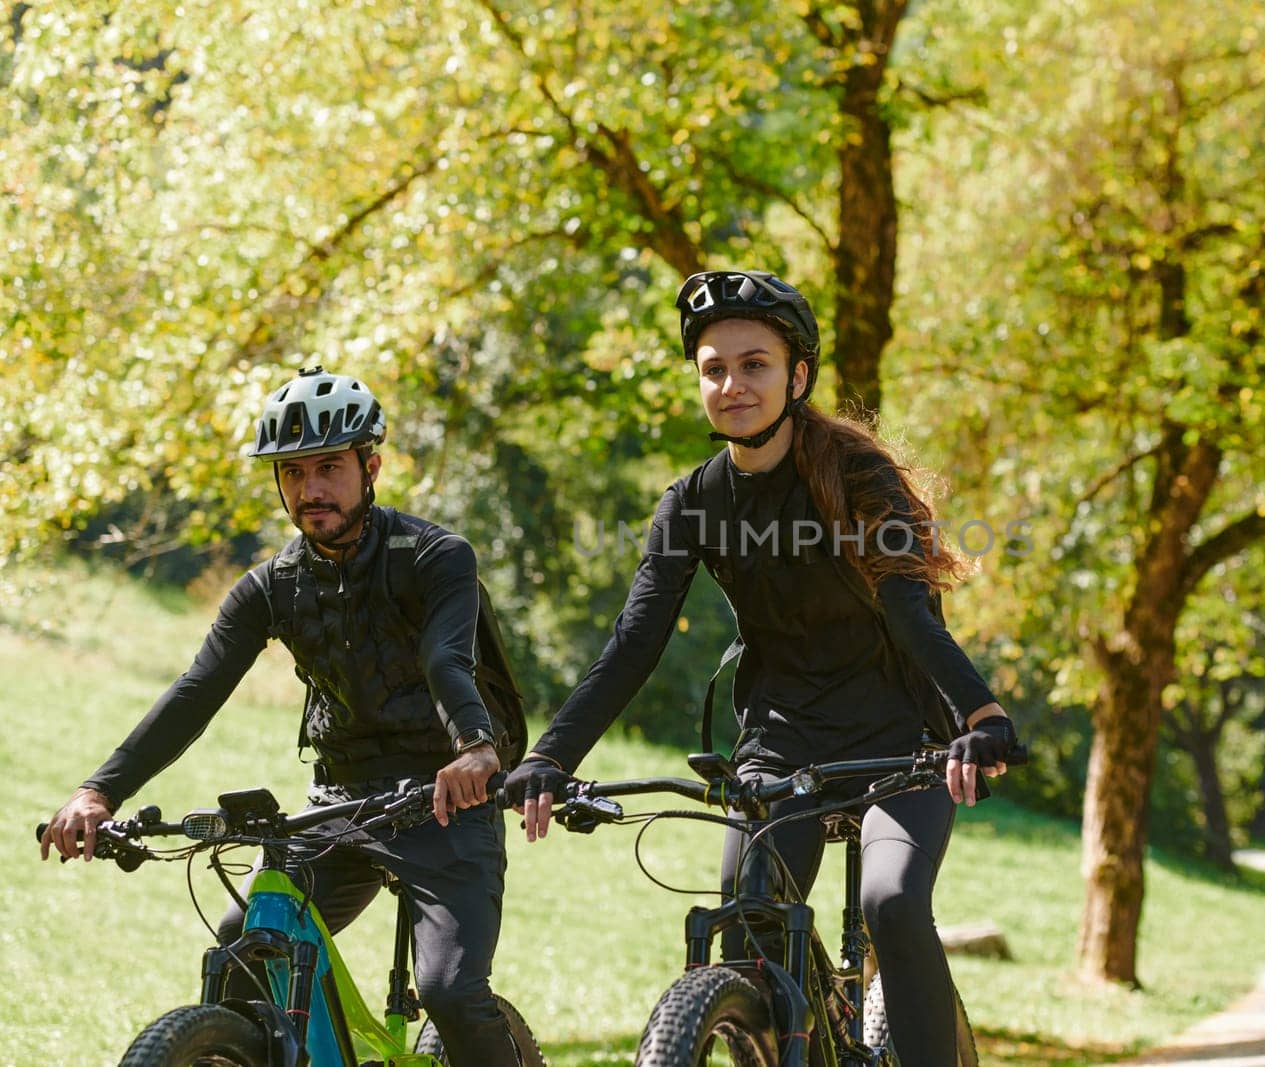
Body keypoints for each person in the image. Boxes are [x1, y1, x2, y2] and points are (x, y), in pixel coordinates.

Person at [504, 269, 1020, 1064]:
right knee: (749, 924)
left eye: (755, 365)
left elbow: (911, 613)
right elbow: (635, 642)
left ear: (797, 376)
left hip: (901, 741)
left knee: (891, 900)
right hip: (781, 745)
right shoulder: (693, 503)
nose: (732, 384)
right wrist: (549, 756)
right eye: (714, 368)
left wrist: (980, 718)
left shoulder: (857, 476)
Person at [40, 367, 521, 1065]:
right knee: (242, 958)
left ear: (371, 465)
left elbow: (448, 660)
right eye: (293, 472)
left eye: (329, 466)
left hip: (445, 797)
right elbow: (195, 691)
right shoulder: (272, 586)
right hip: (340, 803)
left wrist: (475, 746)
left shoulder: (436, 556)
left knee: (448, 992)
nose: (311, 488)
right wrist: (100, 789)